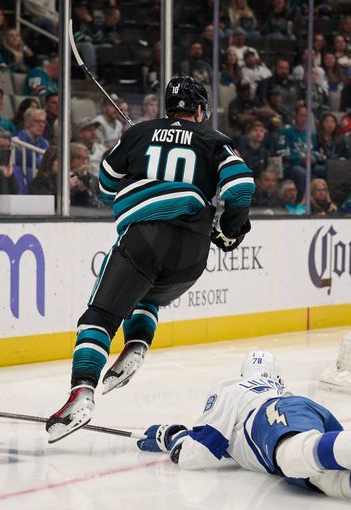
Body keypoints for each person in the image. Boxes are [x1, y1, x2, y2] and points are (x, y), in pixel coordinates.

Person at [46, 77, 255, 443]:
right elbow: (241, 187)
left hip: (145, 238)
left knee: (101, 315)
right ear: (200, 109)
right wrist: (230, 229)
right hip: (193, 253)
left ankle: (82, 391)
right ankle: (138, 344)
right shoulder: (213, 140)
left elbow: (107, 185)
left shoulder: (140, 132)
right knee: (150, 295)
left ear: (167, 107)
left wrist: (141, 164)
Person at [135, 351, 351, 510]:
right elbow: (224, 446)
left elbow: (199, 454)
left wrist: (174, 438)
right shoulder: (276, 387)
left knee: (293, 456)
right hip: (303, 414)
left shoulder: (231, 388)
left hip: (275, 420)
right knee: (320, 477)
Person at [12, 108, 49, 194]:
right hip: (22, 179)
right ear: (27, 123)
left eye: (44, 122)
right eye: (38, 121)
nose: (41, 125)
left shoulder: (45, 143)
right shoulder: (17, 141)